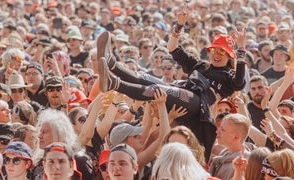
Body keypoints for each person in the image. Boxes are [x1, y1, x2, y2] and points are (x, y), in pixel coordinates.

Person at [96, 5, 246, 160]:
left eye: (222, 52)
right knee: (145, 78)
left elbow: (240, 83)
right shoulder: (201, 65)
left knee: (157, 89)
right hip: (182, 93)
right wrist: (179, 25)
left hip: (198, 105)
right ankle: (112, 63)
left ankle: (114, 84)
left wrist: (241, 49)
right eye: (215, 50)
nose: (217, 54)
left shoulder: (230, 75)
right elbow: (173, 48)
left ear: (230, 56)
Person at [209, 113, 252, 180]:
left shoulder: (244, 164)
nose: (217, 131)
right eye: (219, 128)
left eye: (222, 130)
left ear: (236, 137)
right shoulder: (224, 153)